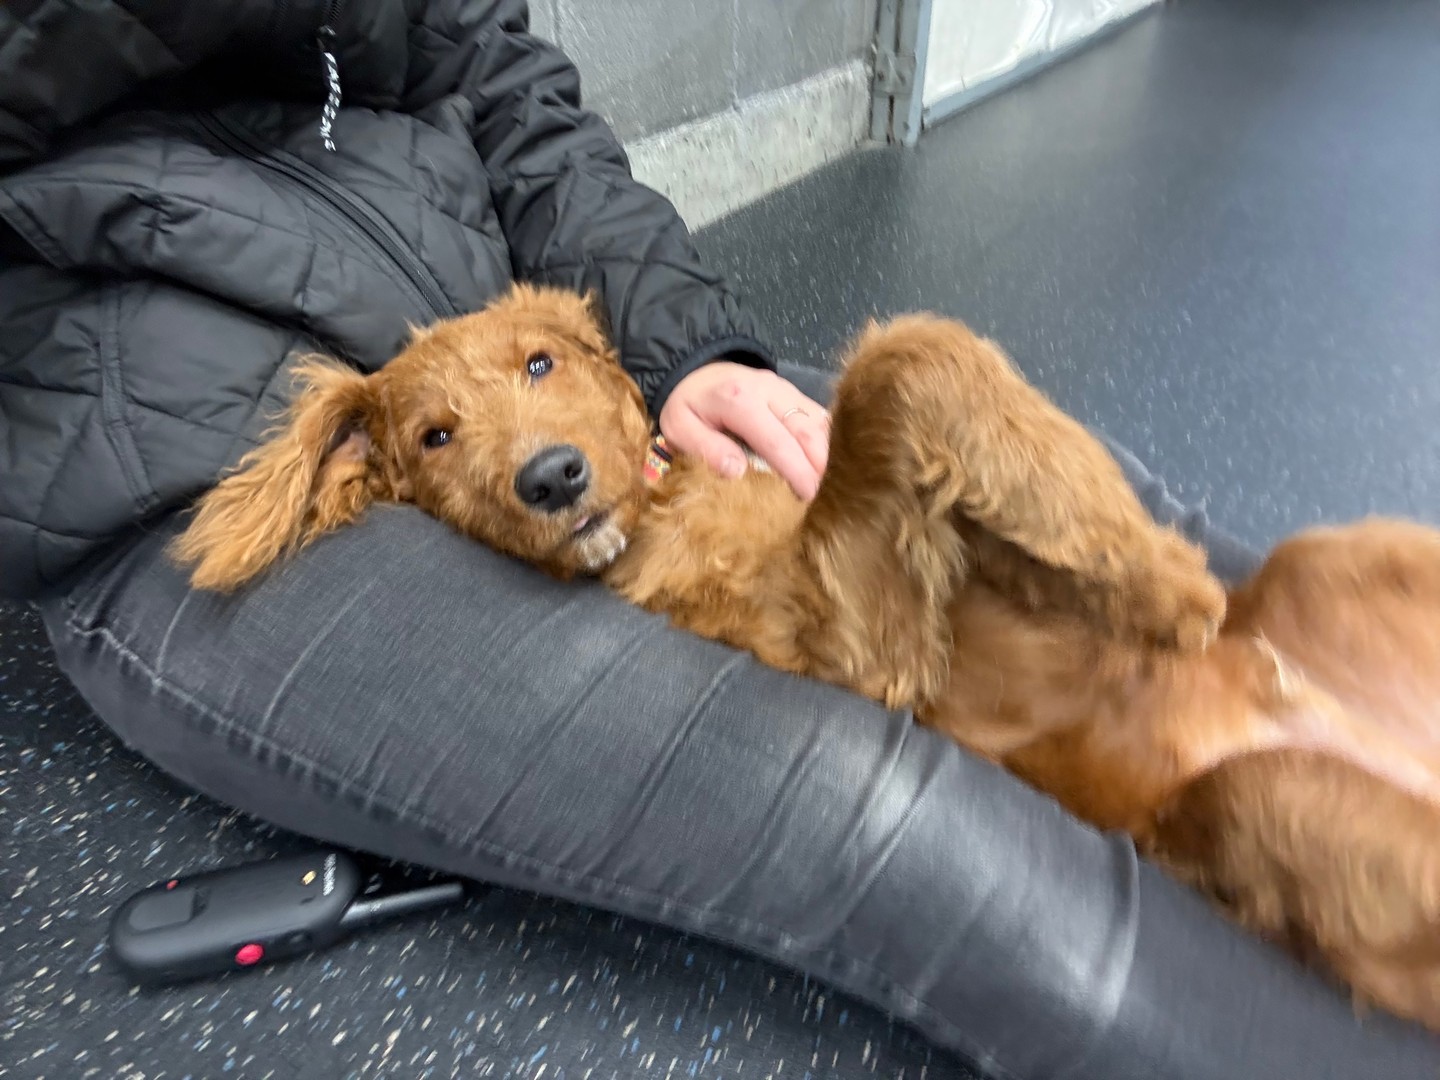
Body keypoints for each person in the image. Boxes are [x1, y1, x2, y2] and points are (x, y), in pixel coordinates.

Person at [2, 2, 1437, 1077]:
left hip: (505, 316)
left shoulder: (559, 361)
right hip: (176, 466)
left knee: (1139, 528)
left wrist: (683, 343)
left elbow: (491, 72)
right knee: (857, 798)